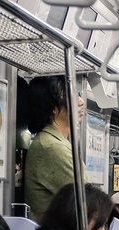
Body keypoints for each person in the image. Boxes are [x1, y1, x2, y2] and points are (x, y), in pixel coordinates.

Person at [23, 76, 85, 220]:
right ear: (53, 108)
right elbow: (88, 201)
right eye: (72, 96)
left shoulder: (56, 142)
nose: (81, 102)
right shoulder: (51, 147)